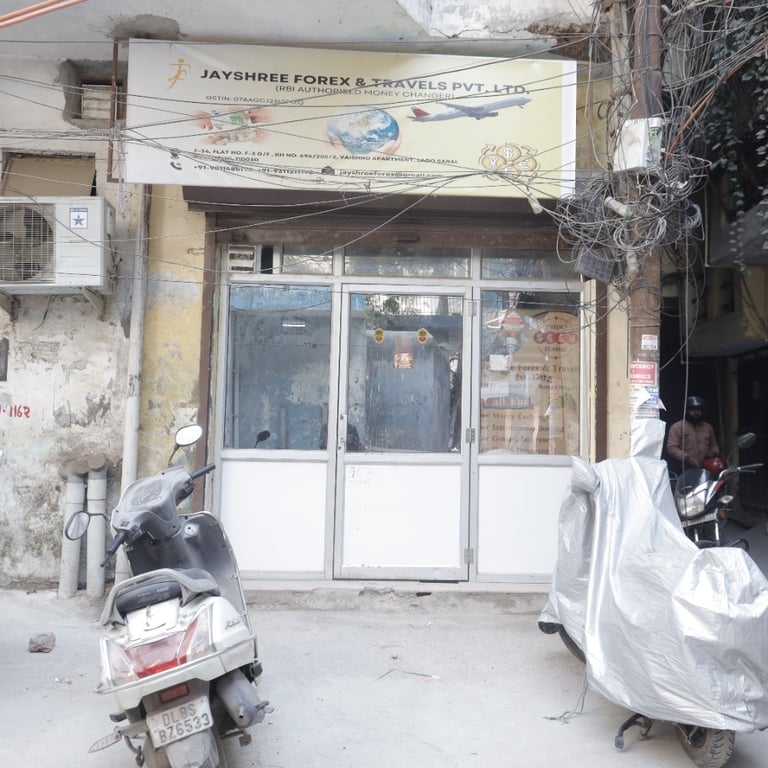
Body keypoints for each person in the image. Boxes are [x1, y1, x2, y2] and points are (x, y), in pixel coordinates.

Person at [666, 395, 720, 475]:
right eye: (692, 409)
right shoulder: (677, 427)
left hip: (705, 467)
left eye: (698, 410)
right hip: (683, 468)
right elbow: (671, 447)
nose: (696, 412)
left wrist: (713, 452)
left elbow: (714, 445)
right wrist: (686, 457)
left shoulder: (708, 427)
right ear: (686, 411)